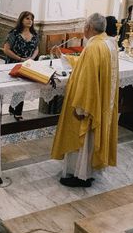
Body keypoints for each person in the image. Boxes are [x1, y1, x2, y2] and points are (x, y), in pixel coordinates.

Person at [50, 13, 119, 187]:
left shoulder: (93, 47)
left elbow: (88, 78)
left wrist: (82, 108)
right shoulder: (109, 44)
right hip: (101, 103)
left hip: (89, 105)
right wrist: (64, 57)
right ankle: (89, 171)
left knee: (83, 138)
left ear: (88, 27)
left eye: (84, 26)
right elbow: (85, 65)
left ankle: (80, 175)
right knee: (92, 138)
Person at [3, 11, 39, 120]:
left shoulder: (35, 34)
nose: (30, 21)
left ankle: (17, 111)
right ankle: (13, 107)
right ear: (21, 20)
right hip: (14, 63)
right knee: (16, 88)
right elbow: (6, 49)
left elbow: (36, 48)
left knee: (22, 88)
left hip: (27, 65)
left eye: (31, 19)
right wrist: (20, 59)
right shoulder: (14, 33)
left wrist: (32, 58)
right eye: (27, 18)